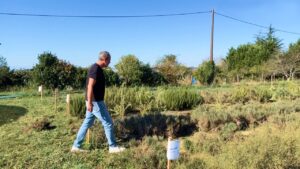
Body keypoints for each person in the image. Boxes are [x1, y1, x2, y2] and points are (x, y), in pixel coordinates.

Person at [71, 51, 125, 153]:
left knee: (87, 123)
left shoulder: (97, 68)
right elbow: (90, 86)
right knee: (108, 123)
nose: (110, 62)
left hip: (94, 101)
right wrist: (90, 102)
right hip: (96, 102)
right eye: (109, 60)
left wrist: (89, 102)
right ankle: (113, 147)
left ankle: (76, 146)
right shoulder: (95, 69)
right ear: (105, 59)